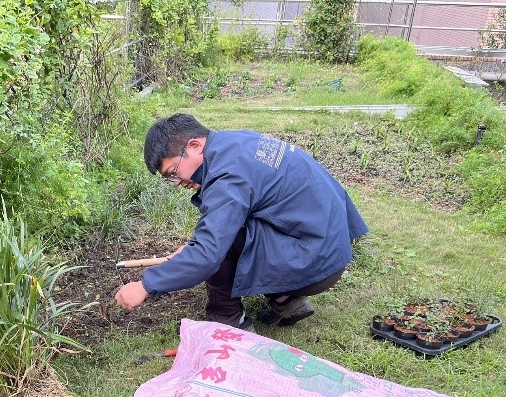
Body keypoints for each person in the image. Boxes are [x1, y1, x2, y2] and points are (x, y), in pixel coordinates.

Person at [114, 113, 369, 330]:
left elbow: (208, 253)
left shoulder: (227, 176)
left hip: (317, 262)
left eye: (173, 172)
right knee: (226, 229)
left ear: (193, 145)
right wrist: (192, 250)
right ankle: (285, 299)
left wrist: (146, 285)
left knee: (222, 244)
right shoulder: (233, 143)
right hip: (328, 243)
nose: (178, 182)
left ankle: (228, 321)